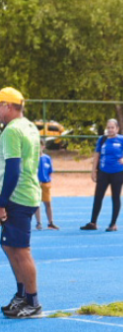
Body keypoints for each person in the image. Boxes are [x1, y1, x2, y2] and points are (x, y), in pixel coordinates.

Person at [0, 86, 44, 318]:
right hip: (27, 192)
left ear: (7, 106)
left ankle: (33, 300)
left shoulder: (11, 130)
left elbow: (13, 169)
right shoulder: (29, 126)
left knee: (21, 250)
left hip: (17, 196)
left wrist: (2, 201)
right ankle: (22, 295)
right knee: (9, 246)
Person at [81, 118, 123, 232]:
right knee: (98, 197)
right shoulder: (102, 140)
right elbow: (97, 155)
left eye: (112, 127)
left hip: (117, 173)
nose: (110, 130)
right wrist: (94, 170)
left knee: (115, 197)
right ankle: (93, 222)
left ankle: (113, 224)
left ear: (117, 129)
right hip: (103, 172)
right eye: (108, 127)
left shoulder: (122, 139)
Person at [34, 141, 58, 230]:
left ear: (43, 147)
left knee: (48, 203)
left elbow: (50, 171)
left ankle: (50, 222)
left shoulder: (47, 158)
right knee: (36, 204)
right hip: (36, 184)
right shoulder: (32, 158)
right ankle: (38, 222)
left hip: (45, 184)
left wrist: (48, 181)